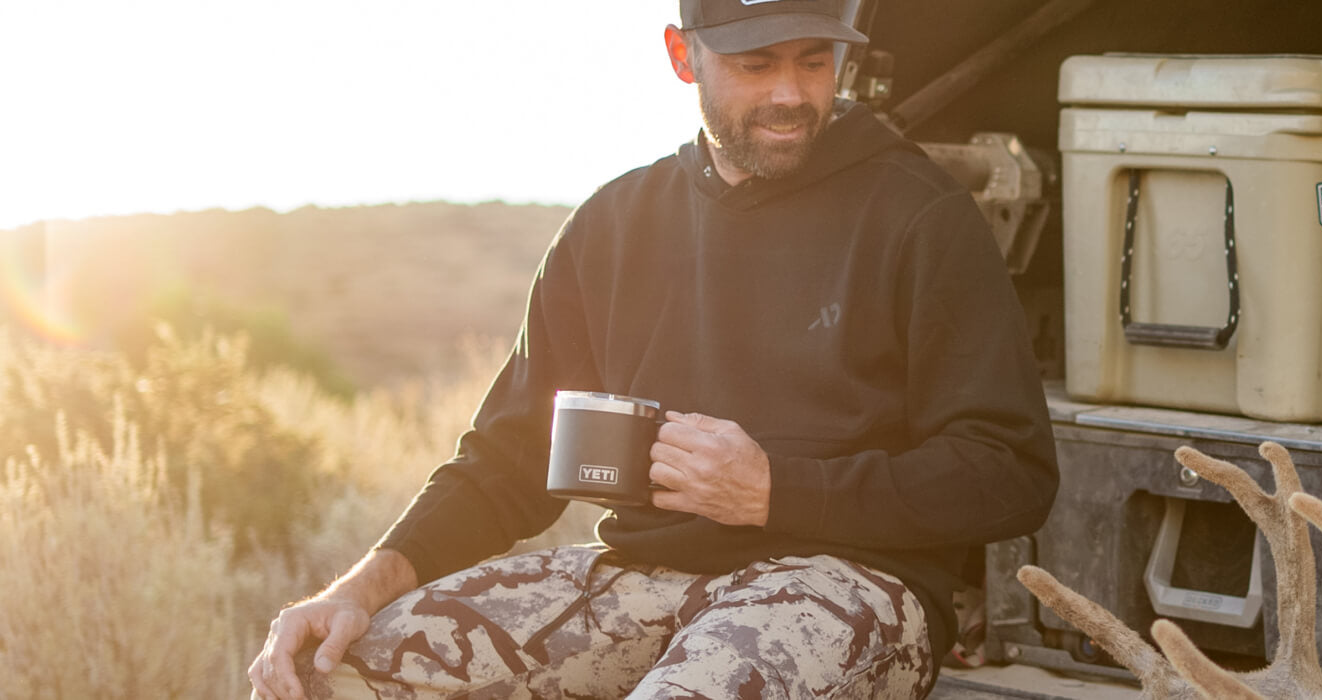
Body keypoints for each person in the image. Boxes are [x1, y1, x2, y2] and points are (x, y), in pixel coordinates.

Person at [245, 0, 1059, 697]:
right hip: (639, 579)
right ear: (683, 55)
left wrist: (778, 491)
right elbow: (507, 461)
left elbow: (1010, 474)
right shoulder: (614, 223)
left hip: (854, 587)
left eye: (815, 63)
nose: (791, 94)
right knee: (337, 673)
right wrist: (359, 589)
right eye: (756, 63)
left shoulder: (921, 217)